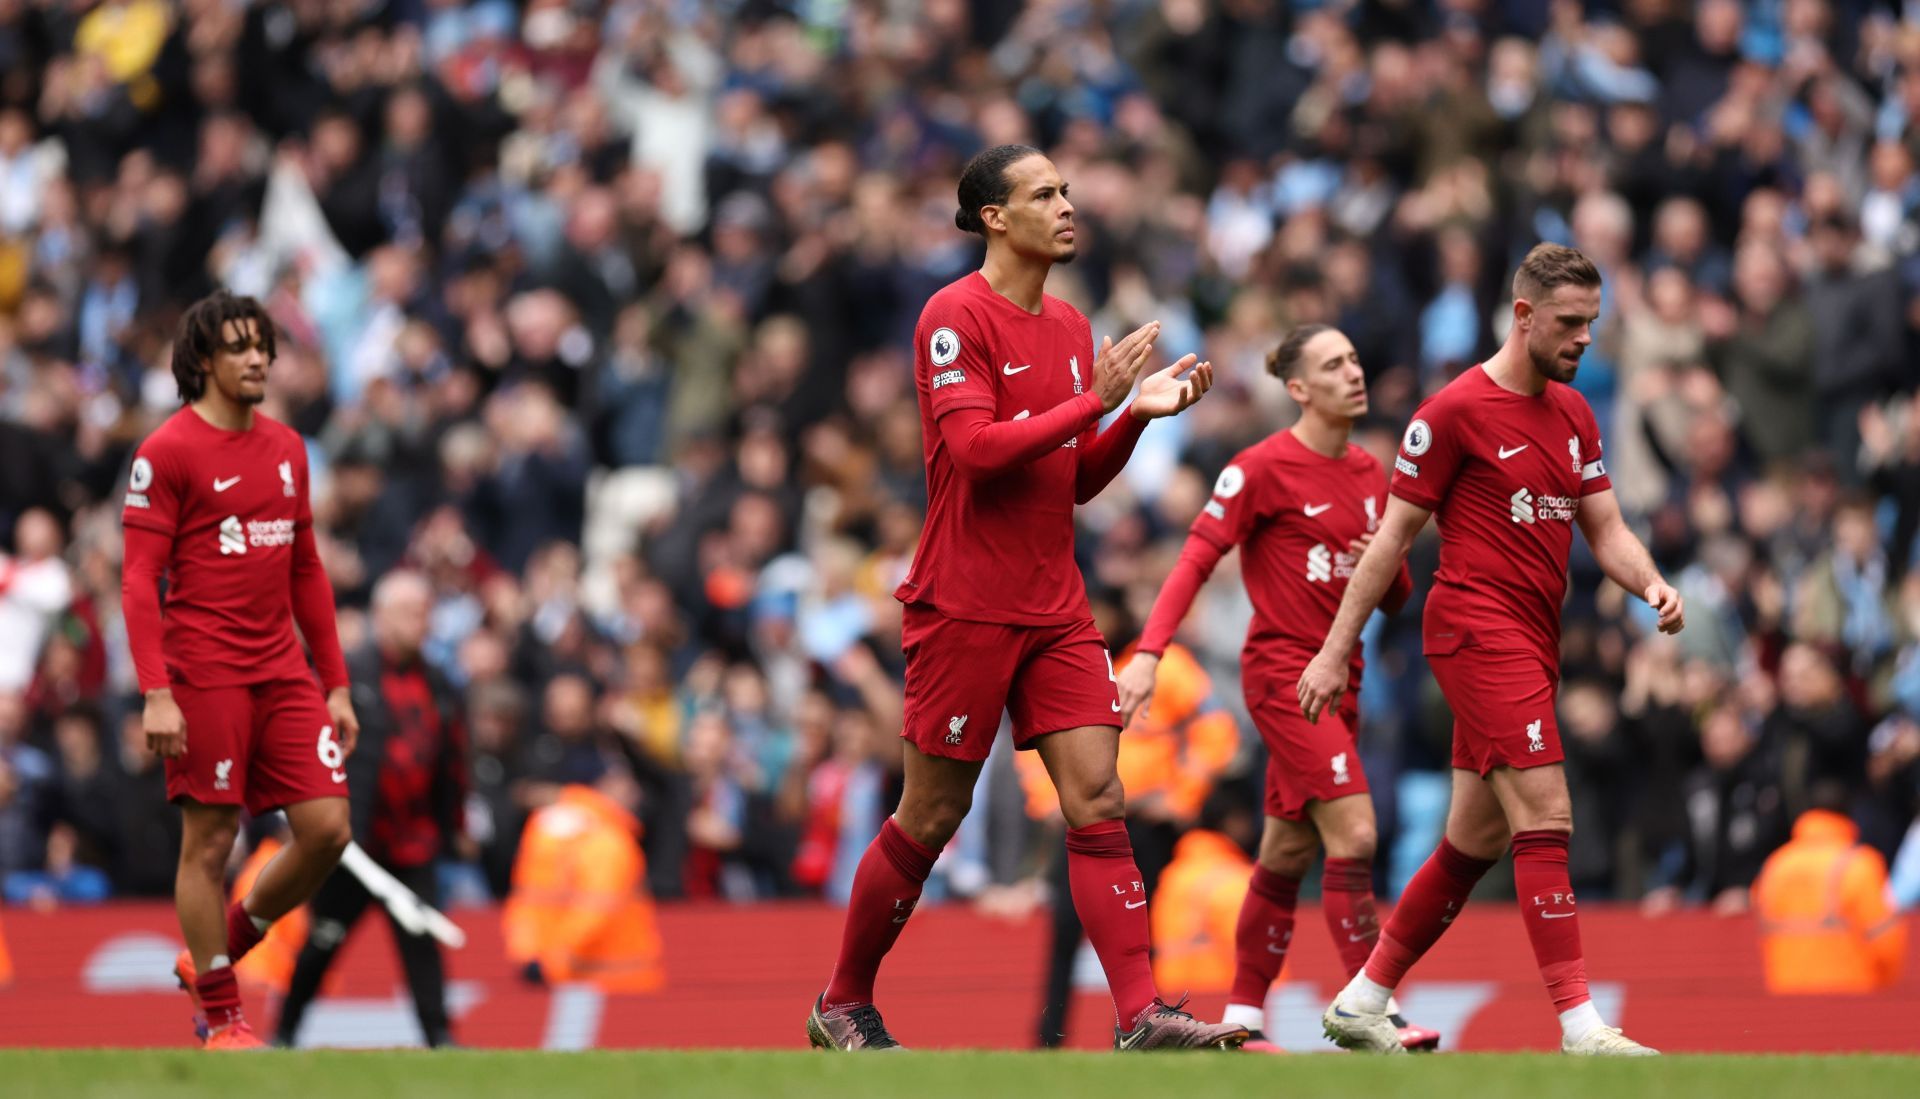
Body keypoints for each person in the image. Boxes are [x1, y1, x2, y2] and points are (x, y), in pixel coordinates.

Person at [804, 143, 1240, 1053]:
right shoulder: (952, 316)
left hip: (1056, 605)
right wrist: (1100, 403)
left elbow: (1069, 480)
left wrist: (1131, 418)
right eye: (1045, 193)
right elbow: (979, 452)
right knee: (931, 815)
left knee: (1098, 794)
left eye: (1068, 190)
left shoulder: (1074, 329)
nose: (1066, 204)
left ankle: (1140, 1014)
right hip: (964, 602)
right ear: (995, 217)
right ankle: (841, 999)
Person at [1298, 244, 1684, 1057]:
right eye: (1571, 323)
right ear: (1523, 315)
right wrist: (1335, 650)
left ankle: (1365, 997)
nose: (1585, 338)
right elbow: (1389, 542)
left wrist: (1649, 584)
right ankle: (1580, 1024)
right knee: (1548, 813)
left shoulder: (1576, 413)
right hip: (1474, 629)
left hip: (1532, 639)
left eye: (1593, 323)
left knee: (1475, 837)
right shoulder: (1452, 412)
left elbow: (1606, 528)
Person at [1117, 323, 1439, 1053]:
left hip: (1344, 679)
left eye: (1355, 357)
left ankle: (1245, 1020)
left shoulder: (1369, 471)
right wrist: (1147, 655)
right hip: (1287, 676)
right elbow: (1195, 560)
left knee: (1286, 852)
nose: (1353, 372)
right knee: (1354, 831)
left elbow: (1397, 596)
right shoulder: (1260, 467)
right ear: (1298, 389)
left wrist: (1382, 566)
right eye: (1333, 364)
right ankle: (1368, 1006)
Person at [120, 290, 359, 1050]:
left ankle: (219, 949)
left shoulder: (289, 448)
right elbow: (137, 581)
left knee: (328, 830)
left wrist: (337, 681)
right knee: (211, 840)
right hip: (206, 670)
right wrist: (156, 692)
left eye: (263, 345)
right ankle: (223, 1017)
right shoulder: (167, 451)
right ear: (203, 361)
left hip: (283, 670)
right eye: (238, 346)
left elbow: (307, 569)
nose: (257, 357)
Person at [275, 570, 468, 1048]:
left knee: (420, 941)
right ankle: (284, 1032)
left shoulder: (441, 683)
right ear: (381, 616)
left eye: (426, 613)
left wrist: (455, 823)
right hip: (352, 843)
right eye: (410, 612)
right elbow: (302, 744)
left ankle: (439, 1038)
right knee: (324, 940)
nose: (421, 623)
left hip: (413, 839)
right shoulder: (345, 674)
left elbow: (457, 758)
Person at [502, 764, 665, 994]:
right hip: (615, 977)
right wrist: (554, 959)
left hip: (551, 973)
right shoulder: (609, 838)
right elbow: (596, 909)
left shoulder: (542, 830)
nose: (636, 794)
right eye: (627, 784)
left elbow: (525, 903)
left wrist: (530, 956)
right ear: (602, 785)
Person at [1751, 788, 1908, 994]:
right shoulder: (1859, 865)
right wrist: (1883, 985)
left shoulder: (1777, 864)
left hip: (1786, 995)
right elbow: (1886, 940)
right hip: (1850, 995)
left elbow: (1761, 924)